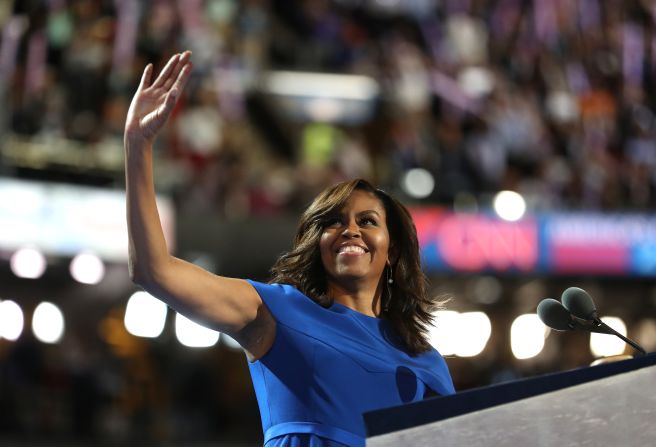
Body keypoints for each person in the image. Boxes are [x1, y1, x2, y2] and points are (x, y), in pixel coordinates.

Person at [124, 51, 455, 447]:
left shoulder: (426, 362)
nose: (349, 230)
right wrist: (137, 146)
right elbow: (153, 270)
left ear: (394, 250)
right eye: (333, 222)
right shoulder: (275, 311)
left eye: (367, 221)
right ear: (318, 245)